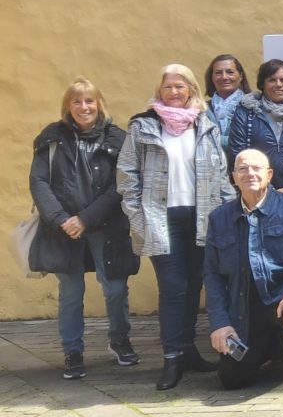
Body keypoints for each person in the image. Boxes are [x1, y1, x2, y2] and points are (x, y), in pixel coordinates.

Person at [118, 64, 235, 390]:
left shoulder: (205, 125)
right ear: (160, 91)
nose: (174, 92)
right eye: (168, 87)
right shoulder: (143, 127)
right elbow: (127, 176)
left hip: (201, 218)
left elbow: (221, 175)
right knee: (173, 288)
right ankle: (171, 358)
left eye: (180, 87)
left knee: (194, 284)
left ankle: (187, 351)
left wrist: (225, 216)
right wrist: (137, 217)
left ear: (191, 91)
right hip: (161, 218)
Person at [29, 78, 140, 379]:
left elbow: (122, 185)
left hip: (106, 226)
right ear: (68, 106)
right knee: (71, 291)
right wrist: (61, 219)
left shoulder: (119, 139)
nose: (83, 107)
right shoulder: (51, 137)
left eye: (89, 101)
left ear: (99, 104)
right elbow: (39, 182)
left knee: (115, 288)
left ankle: (119, 340)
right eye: (76, 101)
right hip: (62, 229)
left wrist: (85, 219)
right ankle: (73, 351)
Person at [205, 149, 283, 388]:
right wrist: (220, 323)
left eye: (257, 168)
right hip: (244, 307)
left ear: (269, 175)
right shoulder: (219, 218)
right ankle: (270, 350)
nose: (250, 173)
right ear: (233, 177)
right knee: (232, 378)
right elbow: (212, 275)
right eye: (243, 169)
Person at [227, 59, 283, 196]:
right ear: (263, 84)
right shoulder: (246, 113)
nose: (279, 85)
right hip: (256, 192)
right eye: (272, 80)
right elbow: (238, 154)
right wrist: (264, 188)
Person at [204, 54, 250, 148]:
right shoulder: (201, 110)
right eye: (218, 73)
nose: (224, 77)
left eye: (230, 72)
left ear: (240, 76)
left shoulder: (253, 108)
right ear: (212, 77)